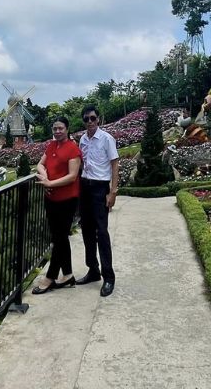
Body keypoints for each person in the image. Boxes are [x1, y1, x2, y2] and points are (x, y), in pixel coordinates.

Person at [32, 116, 82, 294]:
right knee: (59, 236)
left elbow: (72, 176)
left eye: (60, 128)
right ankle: (67, 274)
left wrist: (50, 184)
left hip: (67, 200)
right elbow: (40, 164)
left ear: (67, 129)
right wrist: (44, 176)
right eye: (55, 128)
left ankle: (50, 277)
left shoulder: (72, 149)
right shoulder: (51, 146)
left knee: (58, 238)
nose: (57, 131)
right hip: (51, 198)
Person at [77, 104, 119, 297]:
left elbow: (114, 164)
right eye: (86, 119)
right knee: (86, 230)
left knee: (101, 232)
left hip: (100, 188)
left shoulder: (106, 138)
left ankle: (108, 277)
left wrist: (113, 191)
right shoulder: (83, 140)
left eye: (92, 118)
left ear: (98, 119)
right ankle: (93, 270)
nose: (90, 122)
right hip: (85, 187)